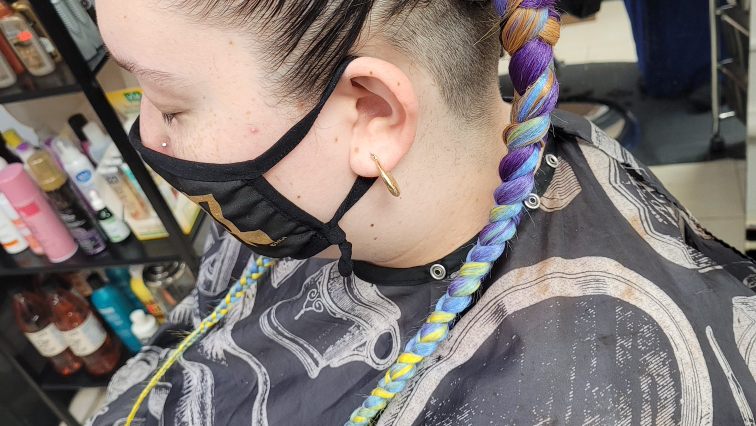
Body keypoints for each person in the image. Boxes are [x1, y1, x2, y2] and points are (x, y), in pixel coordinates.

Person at [88, 0, 756, 424]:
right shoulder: (295, 193)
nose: (148, 134)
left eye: (171, 105)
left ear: (373, 112)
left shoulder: (586, 392)